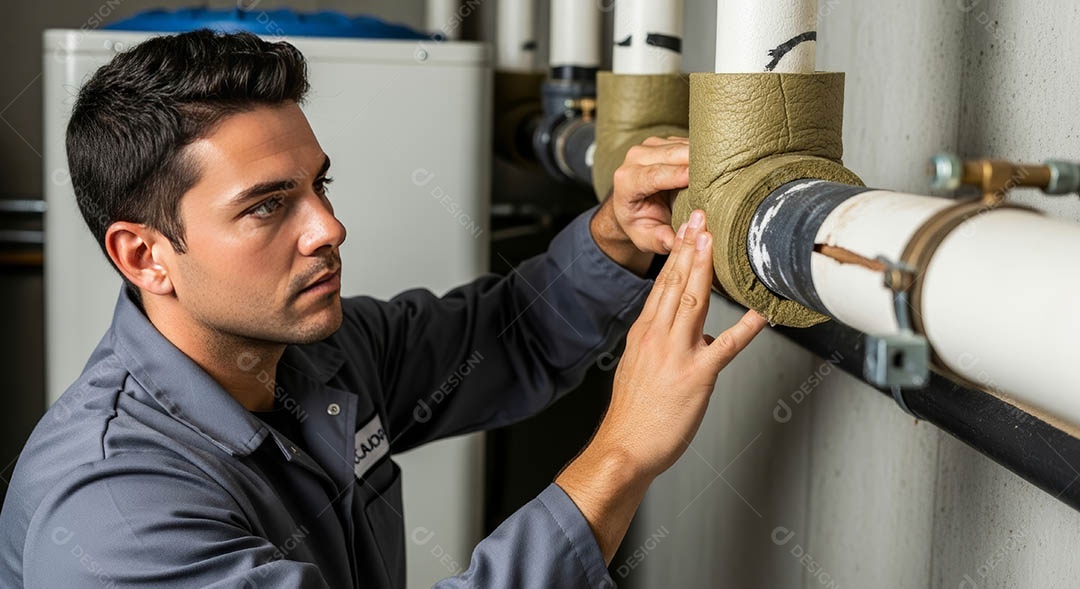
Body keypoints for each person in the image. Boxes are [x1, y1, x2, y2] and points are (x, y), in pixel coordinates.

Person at [0, 30, 765, 588]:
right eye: (268, 206)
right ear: (144, 255)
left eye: (317, 186)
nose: (328, 228)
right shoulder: (119, 512)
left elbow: (510, 336)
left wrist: (616, 236)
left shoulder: (315, 353)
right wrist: (623, 453)